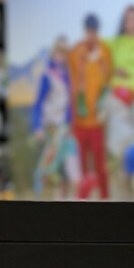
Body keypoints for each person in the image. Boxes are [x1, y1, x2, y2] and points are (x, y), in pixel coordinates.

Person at [107, 5, 134, 193]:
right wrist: (112, 70)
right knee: (127, 145)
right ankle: (123, 189)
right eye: (128, 18)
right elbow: (98, 59)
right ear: (123, 22)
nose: (132, 22)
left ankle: (128, 185)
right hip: (118, 99)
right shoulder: (114, 44)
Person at [69, 13, 112, 199]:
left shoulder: (105, 52)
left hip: (97, 122)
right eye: (88, 30)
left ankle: (105, 199)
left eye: (94, 31)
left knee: (100, 165)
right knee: (82, 167)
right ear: (84, 31)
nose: (91, 35)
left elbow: (108, 80)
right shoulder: (75, 52)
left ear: (98, 31)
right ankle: (83, 202)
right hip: (79, 121)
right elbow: (71, 83)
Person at [31, 37, 80, 198]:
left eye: (65, 53)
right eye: (60, 52)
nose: (62, 57)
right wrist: (37, 126)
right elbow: (38, 104)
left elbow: (69, 104)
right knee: (53, 162)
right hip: (51, 126)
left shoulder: (67, 76)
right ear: (54, 53)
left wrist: (70, 123)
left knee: (69, 155)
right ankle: (43, 183)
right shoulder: (47, 75)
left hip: (64, 127)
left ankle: (77, 190)